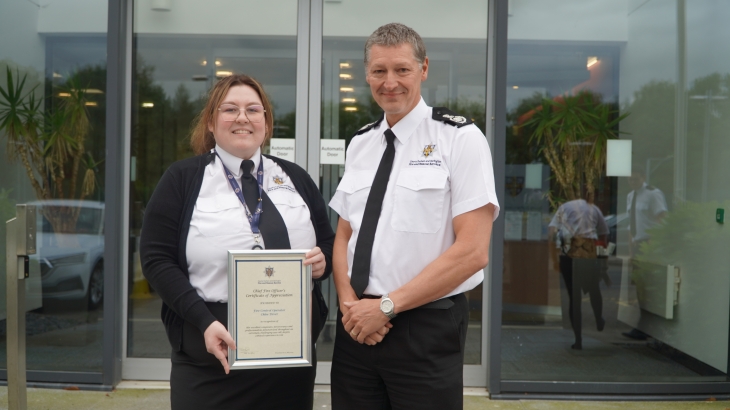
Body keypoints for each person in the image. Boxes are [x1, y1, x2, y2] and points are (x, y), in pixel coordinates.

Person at [328, 23, 499, 410]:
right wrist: (348, 304)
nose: (390, 82)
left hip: (424, 327)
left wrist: (385, 307)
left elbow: (473, 251)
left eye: (402, 70)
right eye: (379, 71)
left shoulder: (459, 138)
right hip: (357, 327)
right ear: (367, 74)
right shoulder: (360, 143)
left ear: (423, 69)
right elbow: (343, 235)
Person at [140, 74, 334, 410]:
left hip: (287, 358)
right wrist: (204, 322)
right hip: (212, 353)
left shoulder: (296, 178)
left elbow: (330, 243)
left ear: (266, 123)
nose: (242, 117)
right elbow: (157, 259)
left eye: (253, 110)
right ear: (212, 123)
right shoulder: (183, 179)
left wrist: (323, 262)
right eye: (230, 109)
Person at [549, 197, 609, 350]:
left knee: (573, 297)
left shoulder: (564, 207)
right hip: (589, 255)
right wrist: (603, 258)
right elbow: (603, 233)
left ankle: (578, 340)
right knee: (594, 289)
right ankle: (598, 318)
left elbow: (552, 233)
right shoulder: (593, 208)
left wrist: (554, 258)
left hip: (569, 255)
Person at [623, 167, 668, 340]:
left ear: (643, 178)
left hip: (650, 244)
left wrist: (656, 242)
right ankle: (644, 325)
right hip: (637, 244)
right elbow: (632, 223)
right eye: (629, 180)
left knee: (650, 286)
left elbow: (662, 218)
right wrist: (630, 247)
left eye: (635, 179)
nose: (632, 182)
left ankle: (649, 326)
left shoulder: (653, 193)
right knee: (640, 286)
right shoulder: (630, 196)